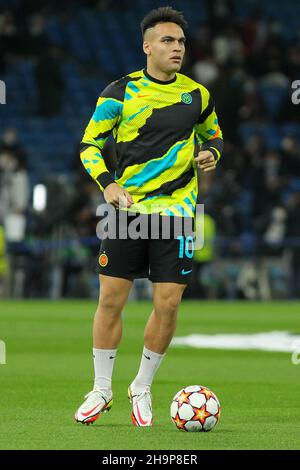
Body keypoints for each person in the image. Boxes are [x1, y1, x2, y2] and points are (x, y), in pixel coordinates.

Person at [74, 6, 223, 427]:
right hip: (126, 211)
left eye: (180, 42)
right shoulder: (119, 93)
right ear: (147, 46)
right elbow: (89, 144)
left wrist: (212, 152)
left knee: (169, 304)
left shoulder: (197, 94)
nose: (177, 48)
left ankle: (141, 385)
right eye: (167, 41)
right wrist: (107, 183)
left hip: (176, 214)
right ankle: (101, 388)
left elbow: (214, 133)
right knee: (110, 300)